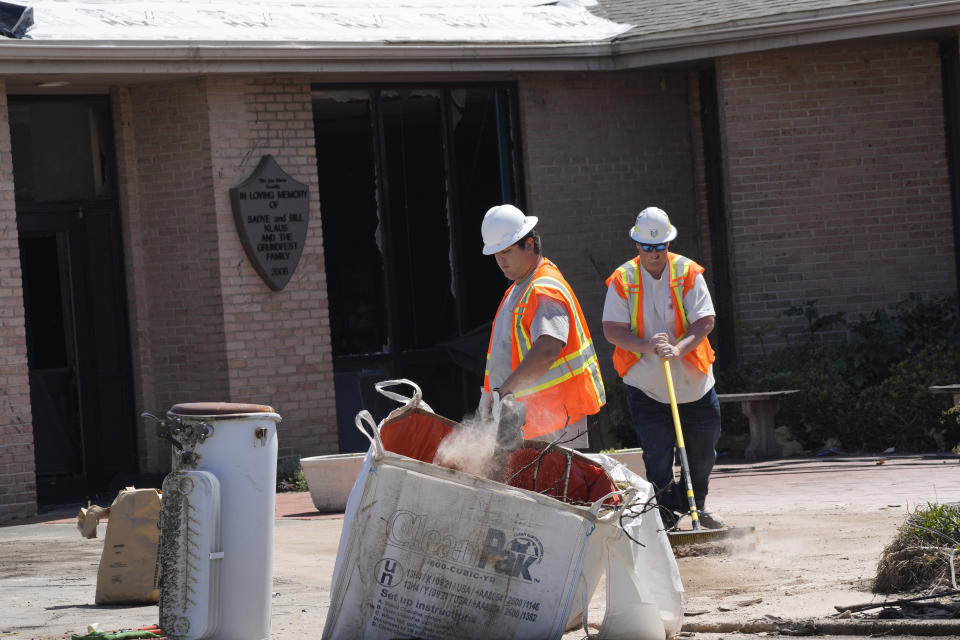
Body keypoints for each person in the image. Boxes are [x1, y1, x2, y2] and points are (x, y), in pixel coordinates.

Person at [601, 206, 724, 529]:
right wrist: (649, 346)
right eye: (647, 247)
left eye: (660, 246)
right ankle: (665, 518)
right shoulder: (623, 278)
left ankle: (697, 507)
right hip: (646, 385)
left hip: (694, 381)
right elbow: (612, 329)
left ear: (669, 243)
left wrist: (679, 348)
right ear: (637, 245)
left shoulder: (687, 272)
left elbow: (705, 320)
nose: (654, 253)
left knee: (702, 454)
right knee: (657, 458)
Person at [479, 204, 605, 448]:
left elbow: (548, 350)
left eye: (506, 251)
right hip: (538, 419)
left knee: (557, 486)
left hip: (558, 420)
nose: (500, 260)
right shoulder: (519, 289)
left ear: (529, 245)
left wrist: (503, 391)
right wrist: (489, 394)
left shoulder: (543, 288)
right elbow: (505, 353)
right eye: (496, 254)